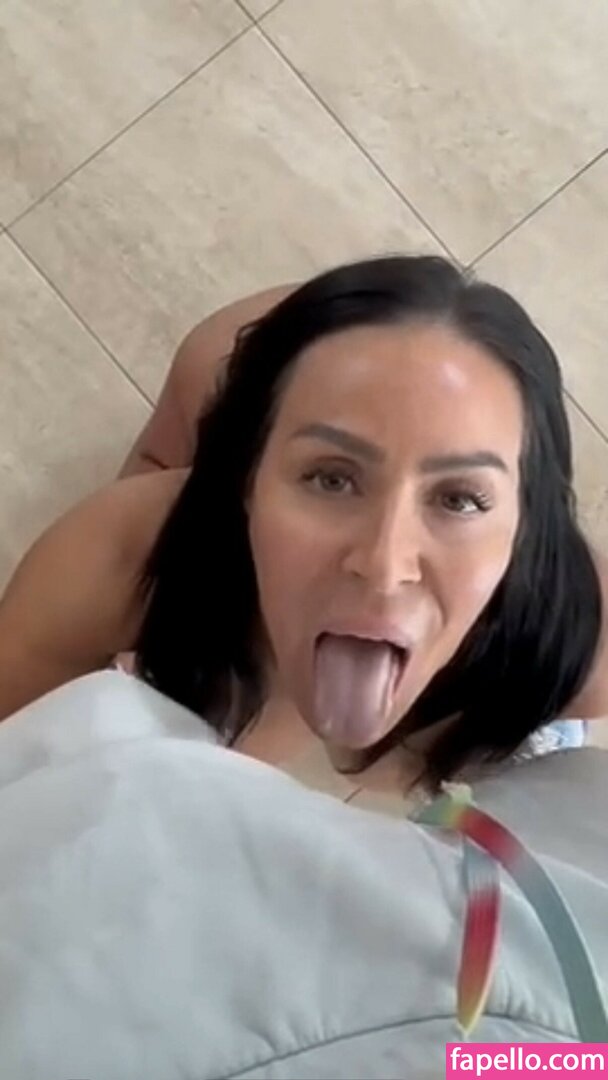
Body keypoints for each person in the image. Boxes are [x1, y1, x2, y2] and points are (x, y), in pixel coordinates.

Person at [0, 256, 606, 791]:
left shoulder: (576, 649)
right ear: (246, 478)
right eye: (331, 479)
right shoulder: (118, 556)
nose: (384, 564)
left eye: (460, 499)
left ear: (526, 527)